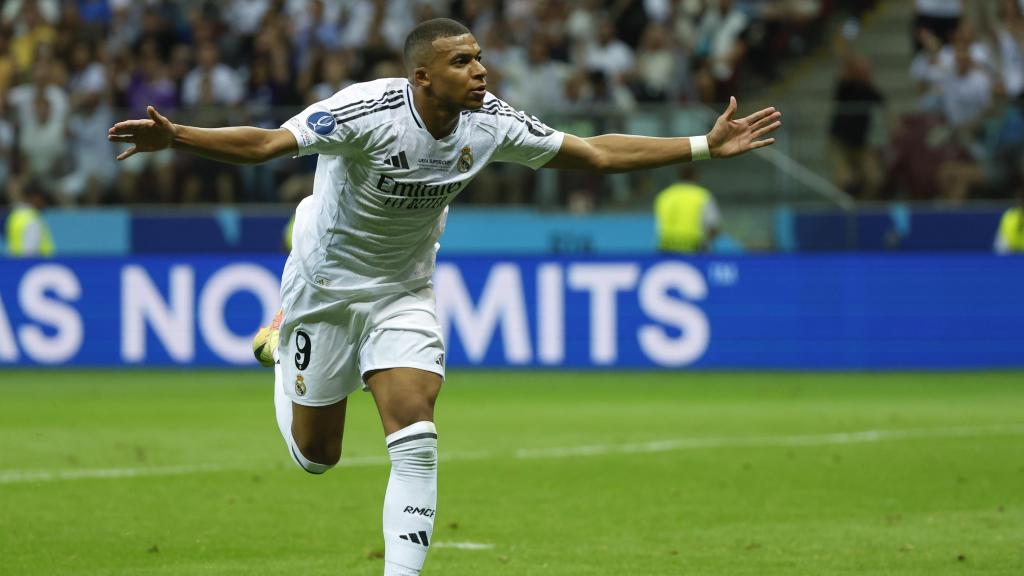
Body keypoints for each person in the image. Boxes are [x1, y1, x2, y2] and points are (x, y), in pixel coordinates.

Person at [107, 18, 781, 576]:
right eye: (462, 62)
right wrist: (179, 137)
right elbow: (268, 144)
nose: (480, 71)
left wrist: (700, 145)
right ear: (422, 77)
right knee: (318, 457)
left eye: (480, 58)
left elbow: (596, 153)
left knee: (416, 427)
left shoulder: (491, 122)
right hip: (322, 289)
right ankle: (284, 352)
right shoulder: (365, 110)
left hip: (404, 289)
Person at [654, 164, 721, 253]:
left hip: (666, 249)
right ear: (696, 175)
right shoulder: (702, 196)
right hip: (694, 250)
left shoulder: (664, 195)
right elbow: (713, 227)